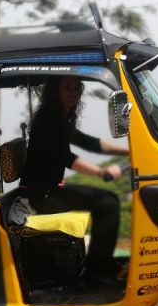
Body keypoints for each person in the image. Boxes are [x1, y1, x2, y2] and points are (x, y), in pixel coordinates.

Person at [19, 76, 129, 288]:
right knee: (107, 203)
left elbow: (89, 142)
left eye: (76, 87)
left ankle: (100, 265)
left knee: (106, 200)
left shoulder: (62, 116)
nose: (73, 92)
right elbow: (65, 158)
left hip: (49, 190)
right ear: (55, 91)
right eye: (66, 87)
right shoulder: (49, 119)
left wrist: (130, 150)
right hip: (42, 196)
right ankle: (97, 272)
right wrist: (102, 172)